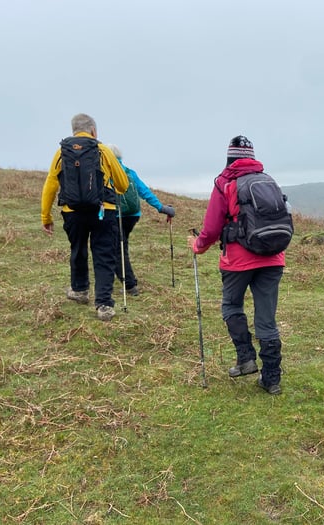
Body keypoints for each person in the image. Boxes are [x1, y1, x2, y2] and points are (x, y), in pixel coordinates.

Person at [188, 136, 286, 395]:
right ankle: (272, 378)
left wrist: (197, 245)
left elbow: (210, 229)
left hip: (238, 261)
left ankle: (246, 359)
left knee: (232, 305)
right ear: (252, 157)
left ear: (229, 158)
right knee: (267, 319)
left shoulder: (225, 184)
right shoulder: (268, 180)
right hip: (273, 258)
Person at [41, 113, 129, 321]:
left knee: (78, 249)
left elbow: (50, 185)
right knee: (103, 255)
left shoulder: (61, 153)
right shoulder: (102, 150)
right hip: (103, 210)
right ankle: (104, 305)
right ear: (93, 130)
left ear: (73, 130)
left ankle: (80, 291)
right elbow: (123, 184)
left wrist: (46, 217)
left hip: (73, 212)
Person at [106, 144, 175, 296]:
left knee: (118, 249)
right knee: (121, 246)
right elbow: (144, 191)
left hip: (116, 215)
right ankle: (123, 281)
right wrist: (160, 207)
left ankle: (130, 285)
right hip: (133, 215)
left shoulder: (107, 171)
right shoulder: (130, 172)